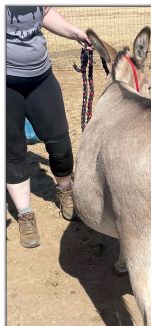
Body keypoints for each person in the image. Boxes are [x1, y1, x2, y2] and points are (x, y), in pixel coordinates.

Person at [6, 6, 92, 248]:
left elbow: (44, 14)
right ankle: (25, 214)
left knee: (60, 142)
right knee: (13, 152)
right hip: (6, 85)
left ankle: (64, 190)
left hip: (41, 77)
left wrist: (75, 33)